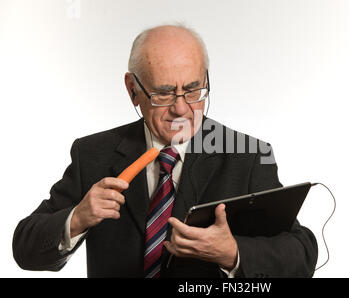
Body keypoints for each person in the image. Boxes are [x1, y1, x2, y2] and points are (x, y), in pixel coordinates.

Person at [12, 24, 318, 278]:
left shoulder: (247, 156)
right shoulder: (92, 154)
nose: (182, 108)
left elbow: (302, 253)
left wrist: (232, 253)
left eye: (194, 90)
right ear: (133, 90)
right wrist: (77, 218)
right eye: (163, 93)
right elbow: (25, 249)